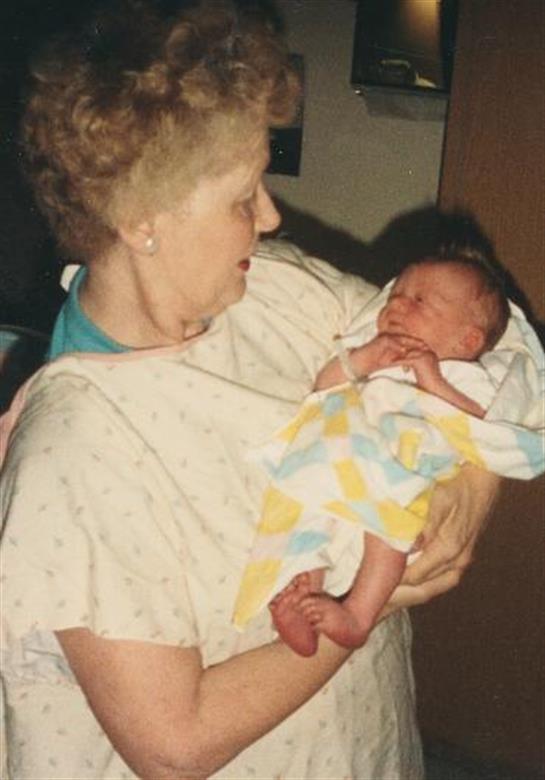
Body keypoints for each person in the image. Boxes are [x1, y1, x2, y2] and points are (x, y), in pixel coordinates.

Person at [0, 1, 516, 778]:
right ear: (142, 219)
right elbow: (175, 744)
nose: (271, 215)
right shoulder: (80, 448)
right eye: (243, 197)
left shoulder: (274, 287)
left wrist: (469, 494)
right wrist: (378, 604)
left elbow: (495, 346)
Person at [232, 254, 544, 657]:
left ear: (467, 339)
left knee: (388, 531)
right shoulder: (376, 352)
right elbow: (324, 389)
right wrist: (361, 360)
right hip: (347, 455)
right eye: (395, 295)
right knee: (308, 508)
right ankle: (302, 592)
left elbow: (480, 425)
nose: (396, 305)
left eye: (419, 302)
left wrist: (433, 381)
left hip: (402, 466)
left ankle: (360, 614)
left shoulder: (468, 375)